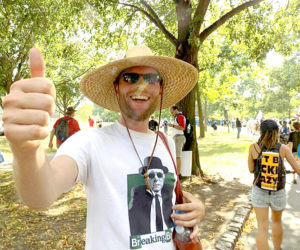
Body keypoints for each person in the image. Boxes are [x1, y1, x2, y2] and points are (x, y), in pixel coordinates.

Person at [2, 46, 204, 250]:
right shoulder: (89, 142)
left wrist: (196, 209)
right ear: (116, 87)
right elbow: (41, 194)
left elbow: (170, 201)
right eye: (131, 78)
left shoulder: (166, 143)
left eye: (152, 78)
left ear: (160, 88)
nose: (141, 87)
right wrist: (26, 150)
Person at [248, 119, 300, 250]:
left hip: (259, 190)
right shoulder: (283, 149)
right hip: (278, 191)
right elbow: (297, 169)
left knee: (262, 227)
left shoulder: (253, 147)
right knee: (276, 222)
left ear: (261, 131)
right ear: (277, 132)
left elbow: (251, 169)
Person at [128, 156, 173, 236]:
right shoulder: (138, 193)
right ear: (146, 179)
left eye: (159, 175)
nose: (156, 179)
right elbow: (132, 219)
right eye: (151, 175)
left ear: (163, 177)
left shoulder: (169, 189)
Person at [168, 106, 186, 178]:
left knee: (178, 156)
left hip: (179, 137)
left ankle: (178, 174)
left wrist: (172, 125)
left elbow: (182, 127)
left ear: (176, 110)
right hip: (176, 137)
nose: (171, 113)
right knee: (176, 155)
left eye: (172, 112)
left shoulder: (180, 116)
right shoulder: (176, 117)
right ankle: (177, 172)